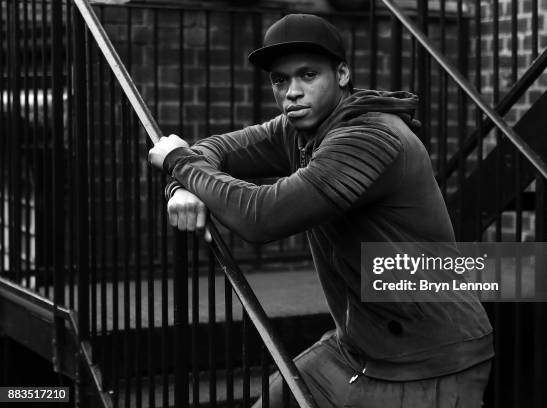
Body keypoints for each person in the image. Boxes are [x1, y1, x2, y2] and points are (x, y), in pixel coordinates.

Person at [149, 13, 494, 408]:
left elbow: (263, 216)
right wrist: (181, 185)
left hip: (433, 361)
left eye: (308, 75)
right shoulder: (299, 128)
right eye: (280, 80)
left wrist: (178, 164)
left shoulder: (371, 137)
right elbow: (213, 151)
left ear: (343, 74)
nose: (292, 92)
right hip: (356, 349)